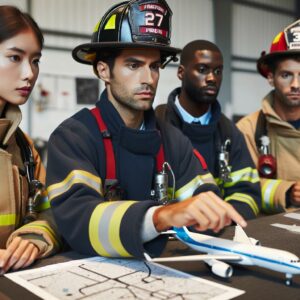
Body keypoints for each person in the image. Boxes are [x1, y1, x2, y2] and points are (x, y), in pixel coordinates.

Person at [46, 0, 246, 259]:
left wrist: (207, 212)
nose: (148, 79)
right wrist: (161, 216)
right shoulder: (73, 137)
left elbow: (204, 197)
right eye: (133, 65)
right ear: (103, 70)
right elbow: (78, 222)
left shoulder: (173, 139)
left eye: (154, 66)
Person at [155, 40, 261, 220]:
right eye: (202, 70)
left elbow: (247, 193)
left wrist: (223, 218)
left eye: (218, 71)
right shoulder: (156, 124)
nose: (212, 78)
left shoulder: (229, 132)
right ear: (181, 72)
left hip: (220, 234)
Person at [0, 5, 61, 273]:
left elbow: (51, 211)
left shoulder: (25, 149)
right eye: (15, 57)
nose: (29, 74)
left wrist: (35, 236)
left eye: (35, 60)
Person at [237, 20, 300, 213]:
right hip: (273, 236)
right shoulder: (248, 129)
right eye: (286, 75)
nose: (296, 84)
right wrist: (287, 193)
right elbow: (241, 188)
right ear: (271, 78)